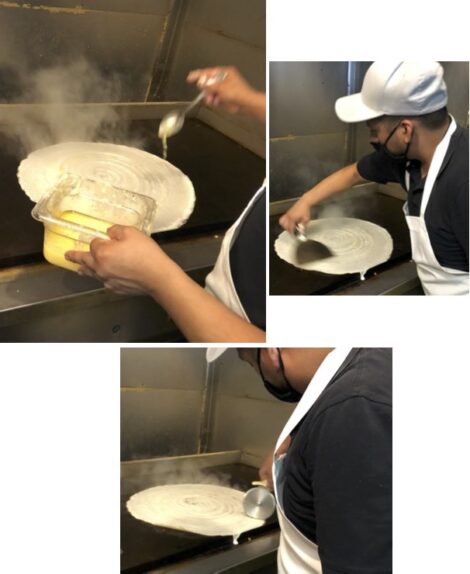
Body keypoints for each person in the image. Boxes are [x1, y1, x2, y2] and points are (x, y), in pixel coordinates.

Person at [65, 67, 266, 342]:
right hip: (224, 302)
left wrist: (158, 278)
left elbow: (272, 356)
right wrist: (252, 100)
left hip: (228, 325)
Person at [279, 61, 469, 295]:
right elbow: (353, 173)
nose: (372, 140)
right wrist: (305, 201)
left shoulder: (463, 182)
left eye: (374, 130)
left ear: (405, 130)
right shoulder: (408, 158)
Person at [236, 347, 392, 574]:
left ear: (271, 353)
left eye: (251, 364)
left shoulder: (356, 408)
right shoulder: (363, 370)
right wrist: (297, 441)